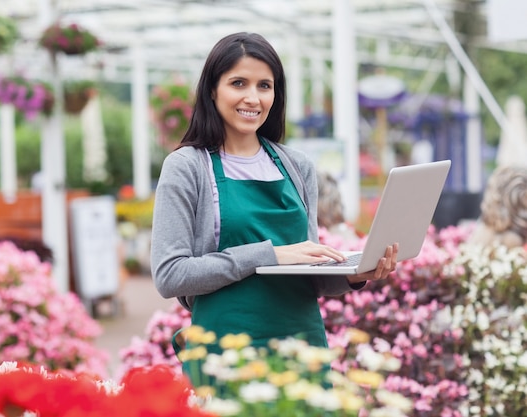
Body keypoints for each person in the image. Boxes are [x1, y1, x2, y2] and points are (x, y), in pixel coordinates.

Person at [150, 32, 398, 383]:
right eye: (239, 83)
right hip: (227, 351)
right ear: (211, 90)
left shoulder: (297, 166)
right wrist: (269, 255)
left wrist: (353, 275)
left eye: (264, 86)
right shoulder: (187, 167)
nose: (253, 97)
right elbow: (170, 274)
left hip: (303, 345)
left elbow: (306, 271)